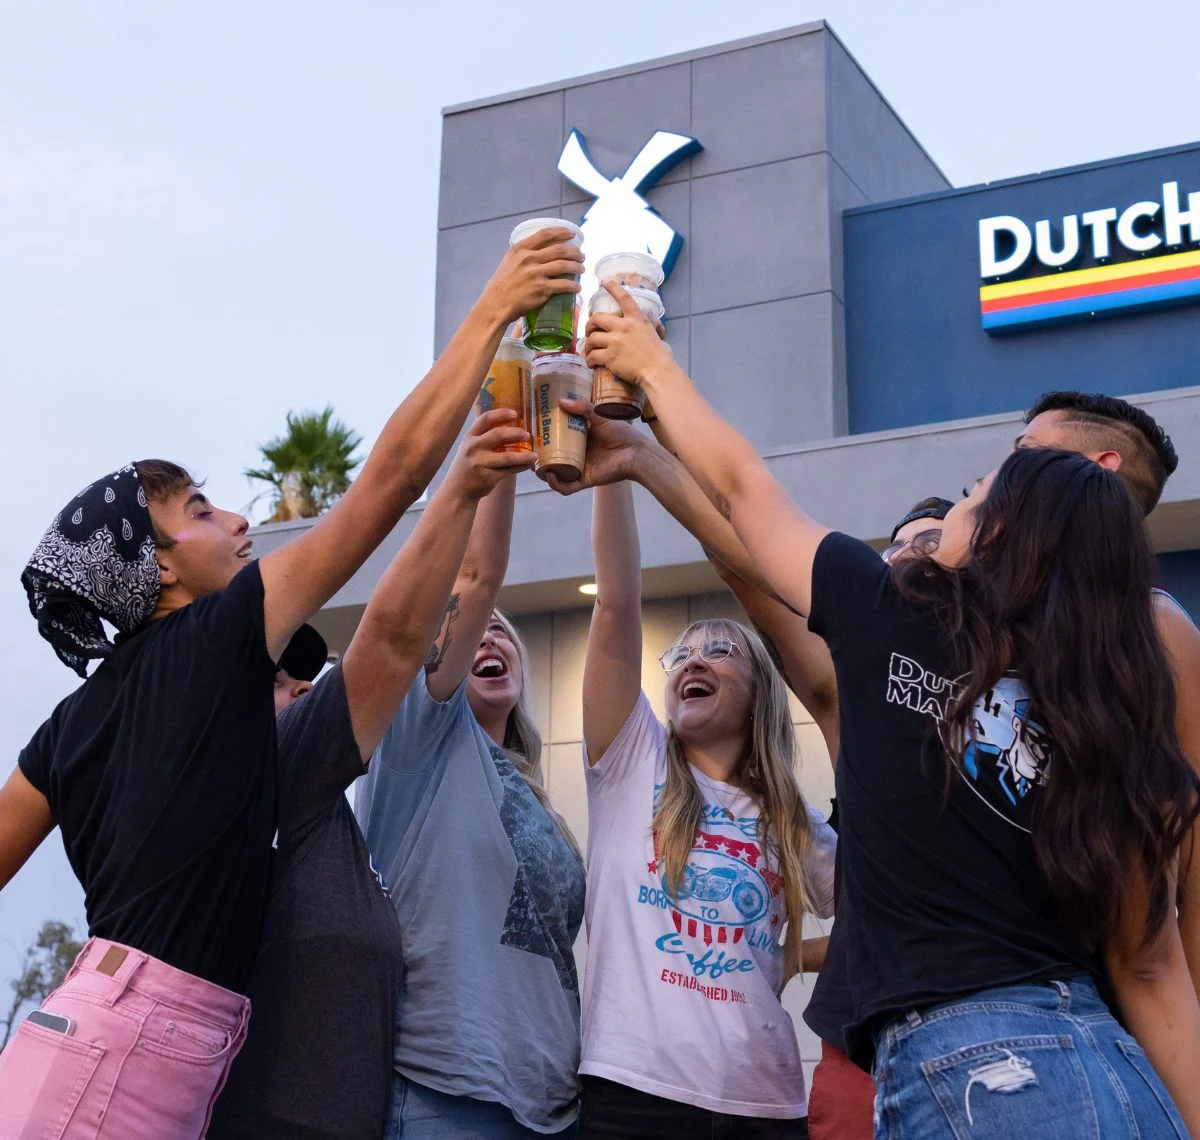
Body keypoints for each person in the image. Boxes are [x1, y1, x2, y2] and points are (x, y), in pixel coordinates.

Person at [0, 229, 582, 1140]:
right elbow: (384, 484)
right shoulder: (208, 643)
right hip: (118, 1059)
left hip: (94, 1034)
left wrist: (470, 484)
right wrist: (494, 306)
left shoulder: (72, 723)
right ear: (154, 572)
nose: (238, 518)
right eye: (199, 508)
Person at [583, 286, 1200, 1136]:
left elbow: (745, 489)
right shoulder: (1109, 710)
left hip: (982, 1074)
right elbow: (1156, 968)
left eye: (974, 494)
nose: (953, 506)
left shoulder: (897, 615)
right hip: (1113, 1070)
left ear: (1000, 538)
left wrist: (651, 365)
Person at [208, 411, 535, 1139]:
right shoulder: (278, 772)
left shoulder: (329, 830)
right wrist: (485, 458)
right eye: (282, 678)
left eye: (308, 677)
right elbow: (446, 598)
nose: (301, 690)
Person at [568, 470, 835, 1139]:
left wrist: (791, 956)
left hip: (766, 1101)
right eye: (682, 655)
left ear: (759, 693)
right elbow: (616, 606)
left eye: (720, 652)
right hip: (633, 1094)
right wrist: (611, 471)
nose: (695, 661)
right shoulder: (632, 762)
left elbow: (882, 917)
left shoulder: (789, 818)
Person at [355, 442, 586, 1138]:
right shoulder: (422, 734)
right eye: (478, 629)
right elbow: (476, 576)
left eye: (504, 633)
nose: (490, 635)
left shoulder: (535, 795)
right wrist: (508, 431)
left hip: (552, 1101)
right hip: (446, 1091)